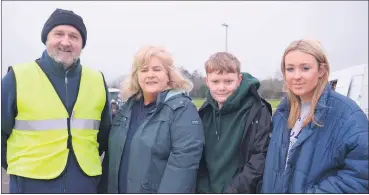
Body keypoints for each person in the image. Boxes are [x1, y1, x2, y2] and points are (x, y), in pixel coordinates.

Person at [1, 8, 111, 193]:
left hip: (83, 182)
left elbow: (104, 133)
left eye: (74, 36)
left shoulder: (97, 79)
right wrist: (19, 166)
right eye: (58, 34)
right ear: (46, 39)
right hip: (31, 182)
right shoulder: (17, 77)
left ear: (82, 43)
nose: (66, 42)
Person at [262, 39, 368, 193]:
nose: (296, 76)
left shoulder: (348, 115)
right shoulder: (282, 113)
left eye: (305, 68)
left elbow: (359, 177)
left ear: (321, 70)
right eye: (290, 69)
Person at [97, 46, 205, 193]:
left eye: (157, 69)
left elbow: (183, 168)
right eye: (144, 70)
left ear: (169, 75)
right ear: (136, 76)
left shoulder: (182, 110)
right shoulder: (127, 109)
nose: (150, 75)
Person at [196, 52, 272, 193]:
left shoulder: (257, 110)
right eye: (215, 81)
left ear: (239, 79)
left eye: (228, 81)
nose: (222, 87)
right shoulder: (204, 113)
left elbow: (259, 157)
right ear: (207, 81)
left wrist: (234, 191)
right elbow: (199, 160)